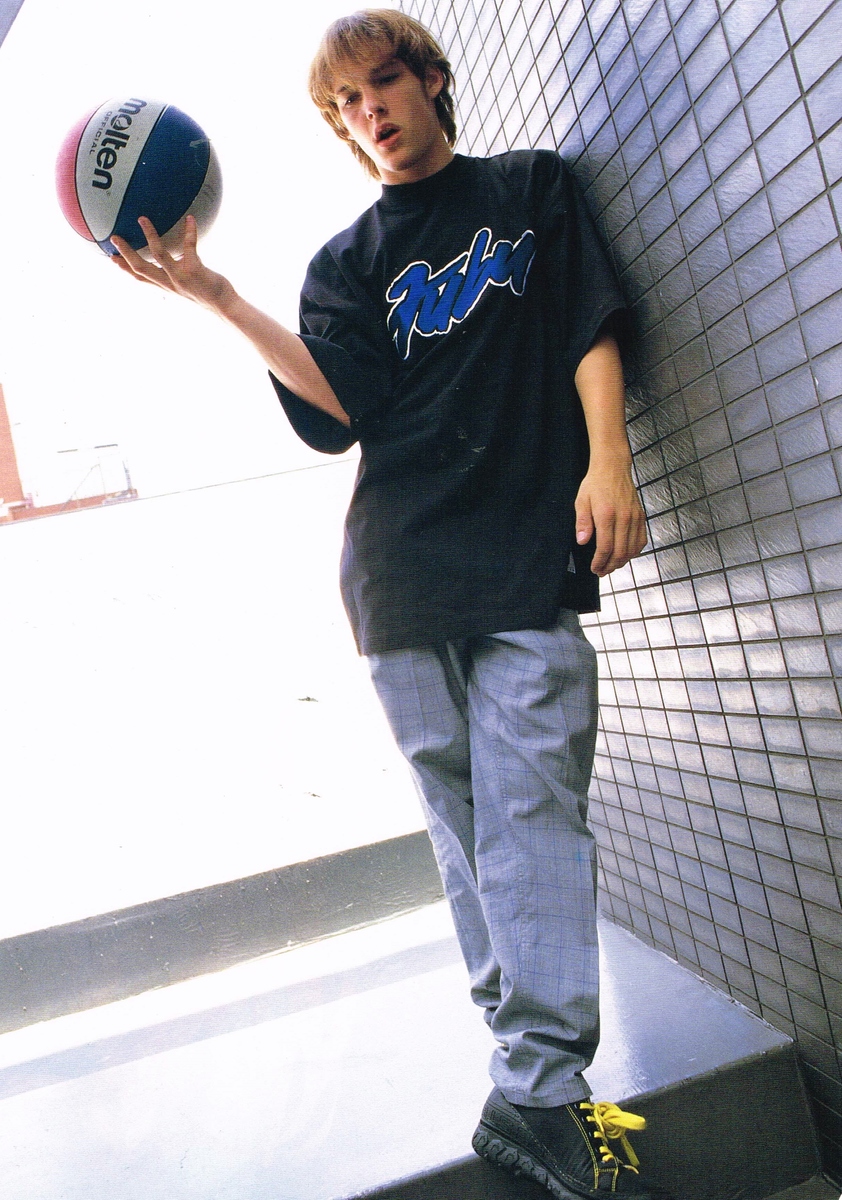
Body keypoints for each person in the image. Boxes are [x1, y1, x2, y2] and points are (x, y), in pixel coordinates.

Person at [111, 11, 672, 1199]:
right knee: (468, 839)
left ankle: (539, 1088)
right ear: (340, 127)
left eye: (383, 85)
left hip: (521, 561)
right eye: (347, 105)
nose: (370, 112)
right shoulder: (345, 264)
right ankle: (531, 1083)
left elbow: (586, 324)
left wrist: (607, 459)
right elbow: (340, 411)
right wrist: (216, 294)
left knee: (534, 813)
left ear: (430, 81)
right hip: (399, 577)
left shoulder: (528, 190)